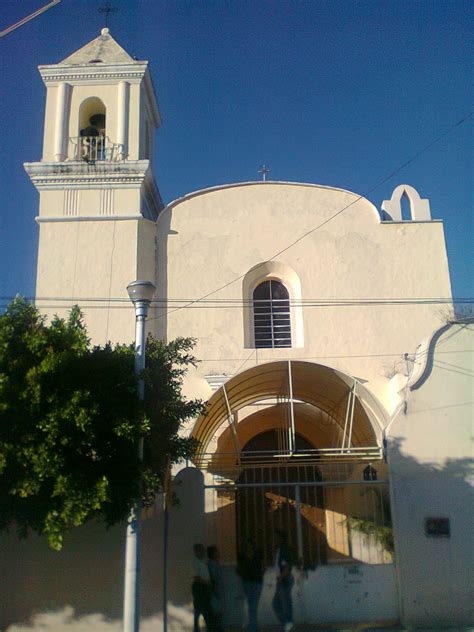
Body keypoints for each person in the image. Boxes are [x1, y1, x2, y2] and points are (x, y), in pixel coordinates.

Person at [237, 539, 264, 632]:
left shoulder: (243, 555)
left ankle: (253, 627)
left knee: (252, 606)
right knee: (253, 606)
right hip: (254, 581)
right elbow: (262, 566)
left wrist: (244, 574)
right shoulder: (257, 555)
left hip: (250, 581)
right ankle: (253, 627)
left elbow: (239, 569)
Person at [272, 530, 294, 632]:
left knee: (284, 603)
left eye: (276, 538)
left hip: (283, 578)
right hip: (281, 578)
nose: (274, 540)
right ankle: (287, 623)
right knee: (277, 604)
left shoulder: (284, 549)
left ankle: (288, 624)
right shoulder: (279, 549)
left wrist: (281, 577)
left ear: (281, 539)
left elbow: (286, 566)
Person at [191, 543, 215, 632]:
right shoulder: (195, 562)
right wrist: (206, 583)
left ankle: (200, 628)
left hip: (204, 587)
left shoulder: (201, 561)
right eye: (201, 550)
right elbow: (196, 577)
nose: (203, 552)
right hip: (200, 587)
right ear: (197, 551)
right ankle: (198, 629)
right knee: (202, 608)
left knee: (202, 608)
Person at [207, 546, 225, 632]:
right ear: (213, 554)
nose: (219, 553)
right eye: (217, 552)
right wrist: (215, 591)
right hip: (215, 592)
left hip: (217, 591)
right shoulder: (211, 565)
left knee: (218, 612)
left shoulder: (215, 564)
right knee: (217, 613)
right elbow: (213, 579)